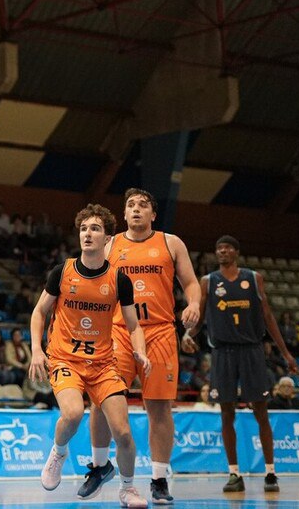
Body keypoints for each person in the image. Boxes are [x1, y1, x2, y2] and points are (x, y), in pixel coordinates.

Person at [81, 188, 201, 504]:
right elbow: (89, 282)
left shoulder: (171, 243)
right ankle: (99, 466)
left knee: (159, 407)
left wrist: (193, 304)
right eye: (131, 205)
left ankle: (159, 480)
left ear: (153, 214)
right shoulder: (110, 244)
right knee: (101, 399)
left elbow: (191, 283)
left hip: (159, 332)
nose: (136, 209)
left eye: (143, 205)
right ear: (124, 214)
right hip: (119, 332)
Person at [29, 204, 150, 508]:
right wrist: (36, 351)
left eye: (95, 229)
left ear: (107, 238)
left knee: (123, 432)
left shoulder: (119, 280)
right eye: (84, 228)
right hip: (65, 359)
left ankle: (127, 489)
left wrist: (140, 350)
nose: (87, 234)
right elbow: (39, 312)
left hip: (103, 364)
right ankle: (58, 453)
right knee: (72, 414)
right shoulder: (62, 272)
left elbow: (134, 325)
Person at [181, 235, 297, 494]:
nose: (222, 251)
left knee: (261, 412)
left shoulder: (253, 278)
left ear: (236, 252)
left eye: (227, 248)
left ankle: (270, 472)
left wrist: (285, 353)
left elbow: (268, 316)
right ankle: (234, 473)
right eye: (219, 248)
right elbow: (199, 317)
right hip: (222, 352)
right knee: (226, 413)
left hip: (251, 351)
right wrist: (189, 334)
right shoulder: (208, 281)